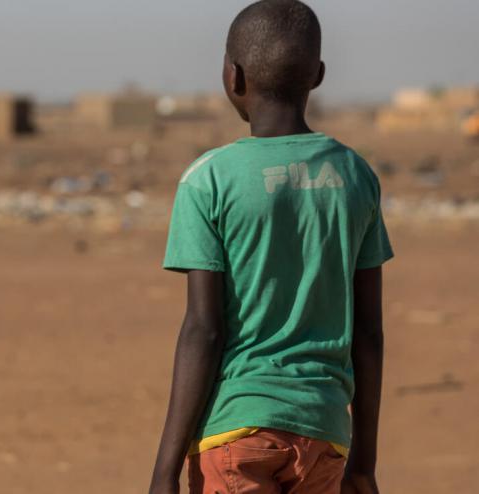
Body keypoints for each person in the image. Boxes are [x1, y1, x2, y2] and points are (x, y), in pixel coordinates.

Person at [148, 1, 393, 493]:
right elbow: (368, 333)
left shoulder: (210, 180)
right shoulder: (354, 175)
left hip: (237, 429)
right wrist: (363, 464)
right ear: (317, 75)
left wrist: (164, 471)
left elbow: (203, 331)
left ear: (232, 75)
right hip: (324, 434)